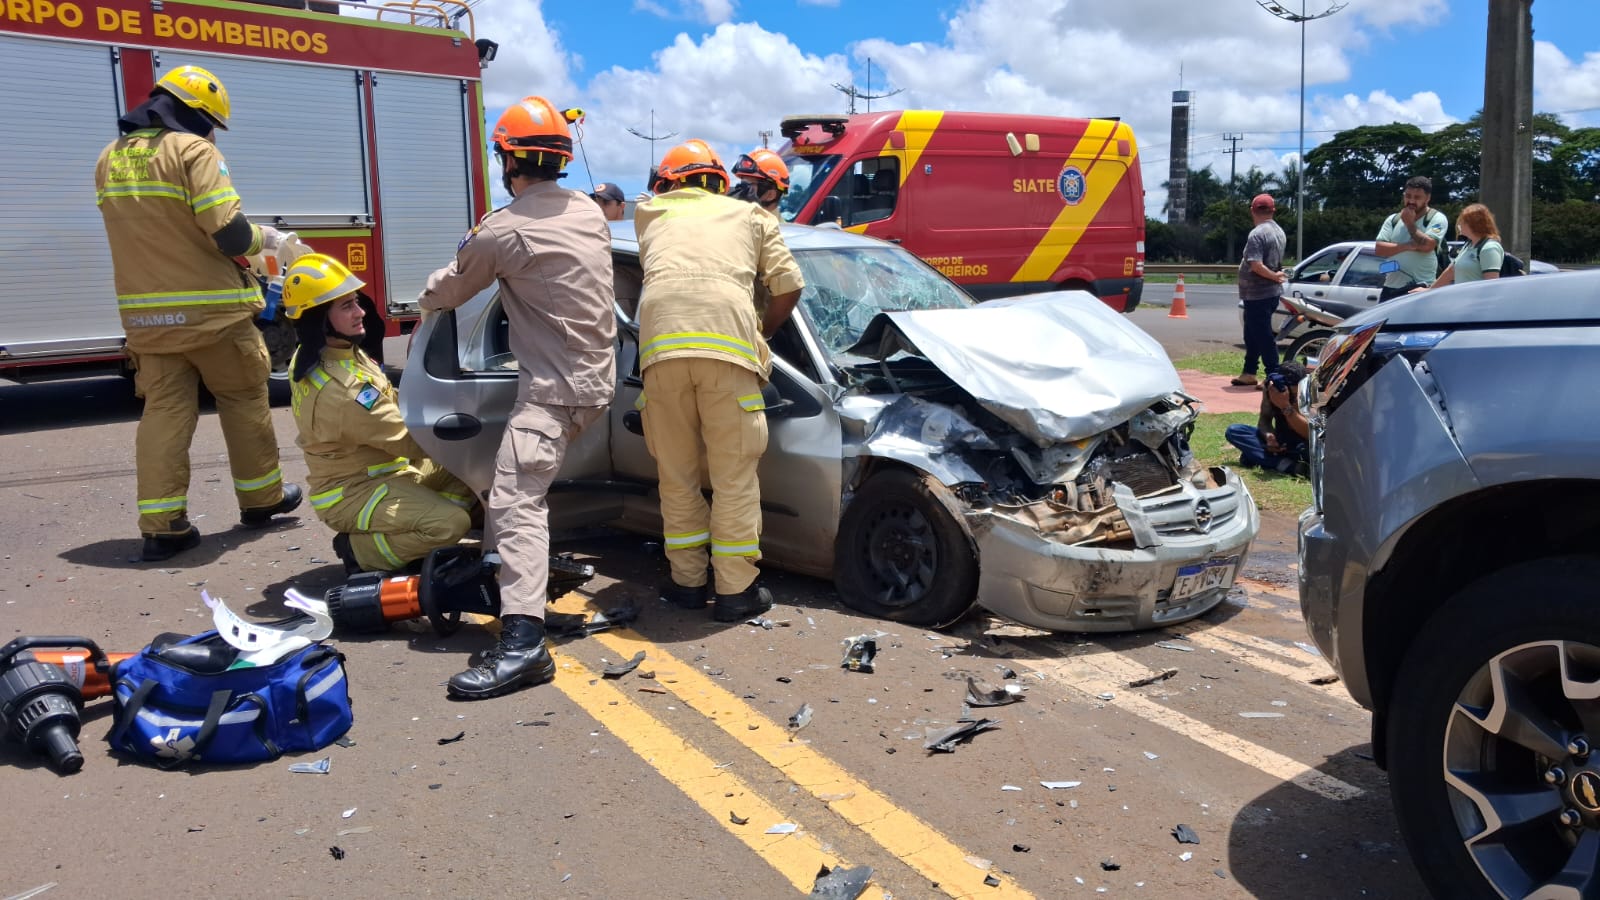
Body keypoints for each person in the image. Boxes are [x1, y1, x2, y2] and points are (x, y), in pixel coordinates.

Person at [418, 95, 616, 700]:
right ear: (559, 158)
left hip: (554, 391)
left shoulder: (503, 231)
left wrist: (431, 292)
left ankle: (524, 643)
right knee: (516, 491)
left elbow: (448, 292)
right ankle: (506, 588)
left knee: (515, 502)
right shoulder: (589, 212)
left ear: (507, 160)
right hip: (594, 383)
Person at [94, 64, 303, 562]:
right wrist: (269, 241)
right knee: (244, 398)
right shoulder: (194, 151)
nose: (212, 132)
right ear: (192, 113)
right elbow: (229, 234)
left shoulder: (109, 159)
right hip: (213, 314)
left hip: (146, 321)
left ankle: (163, 527)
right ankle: (261, 500)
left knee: (165, 411)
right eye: (210, 121)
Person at [633, 140, 805, 622]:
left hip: (660, 355)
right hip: (728, 357)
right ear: (721, 183)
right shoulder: (749, 218)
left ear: (668, 183)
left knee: (678, 477)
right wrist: (761, 331)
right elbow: (788, 286)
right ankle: (735, 593)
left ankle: (686, 584)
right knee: (733, 479)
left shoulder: (649, 216)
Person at [282, 253, 475, 575]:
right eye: (346, 307)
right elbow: (410, 440)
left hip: (382, 471)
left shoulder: (328, 353)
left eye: (355, 302)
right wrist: (472, 428)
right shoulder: (344, 391)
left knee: (467, 474)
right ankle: (362, 552)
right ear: (319, 319)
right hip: (353, 491)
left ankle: (419, 545)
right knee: (451, 522)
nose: (360, 312)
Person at [1232, 193, 1287, 388]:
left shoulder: (1257, 234)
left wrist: (1274, 276)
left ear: (1252, 211)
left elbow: (1255, 264)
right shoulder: (1278, 231)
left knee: (1262, 334)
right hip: (1268, 292)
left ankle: (1273, 374)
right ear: (1273, 210)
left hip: (1259, 293)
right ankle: (1249, 371)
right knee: (1252, 332)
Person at [1225, 362, 1310, 475]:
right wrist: (1269, 436)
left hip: (1304, 444)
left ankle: (1263, 459)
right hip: (1281, 442)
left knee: (1312, 452)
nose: (1294, 396)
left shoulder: (1310, 392)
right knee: (1234, 431)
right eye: (1292, 393)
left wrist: (1286, 407)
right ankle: (1288, 466)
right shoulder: (1271, 389)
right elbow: (1264, 420)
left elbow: (1311, 434)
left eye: (1296, 393)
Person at [1374, 175, 1449, 300]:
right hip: (1390, 288)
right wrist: (1408, 246)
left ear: (1428, 198)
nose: (1411, 201)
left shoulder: (1436, 218)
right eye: (1408, 196)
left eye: (1417, 197)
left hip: (1420, 287)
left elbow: (1428, 246)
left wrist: (1409, 223)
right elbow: (1379, 249)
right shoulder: (1393, 219)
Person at [1427, 203, 1504, 289]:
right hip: (1463, 300)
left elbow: (1491, 285)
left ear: (1474, 224)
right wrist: (1429, 291)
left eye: (1463, 221)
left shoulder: (1489, 248)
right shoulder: (1468, 245)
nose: (1459, 224)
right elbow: (1451, 271)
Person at [729, 148, 790, 216]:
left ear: (770, 195)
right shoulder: (744, 219)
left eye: (748, 185)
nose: (741, 190)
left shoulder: (777, 226)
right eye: (742, 183)